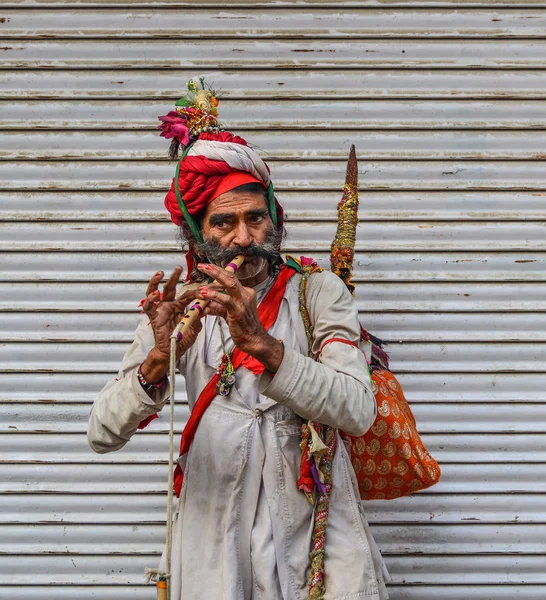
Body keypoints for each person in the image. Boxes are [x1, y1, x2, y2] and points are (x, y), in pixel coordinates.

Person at [87, 79, 390, 600]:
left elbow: (358, 409)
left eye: (255, 218)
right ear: (198, 232)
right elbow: (102, 432)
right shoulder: (180, 307)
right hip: (213, 535)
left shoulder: (319, 292)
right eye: (224, 223)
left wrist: (264, 345)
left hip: (314, 526)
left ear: (273, 218)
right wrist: (159, 361)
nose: (244, 238)